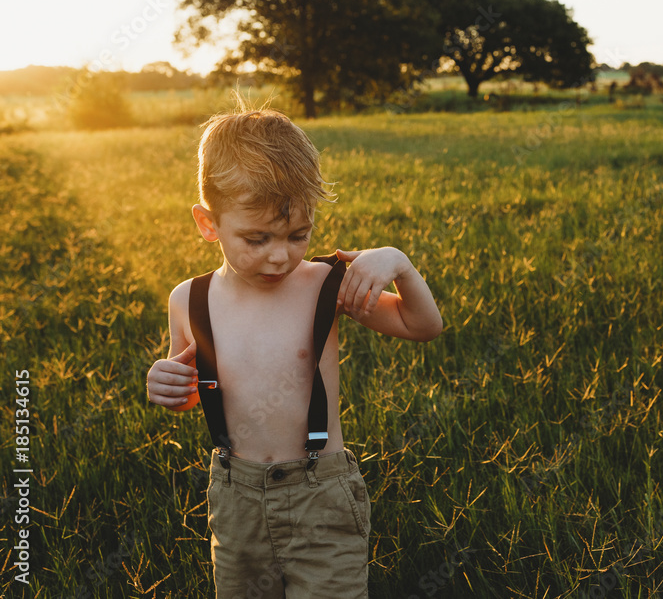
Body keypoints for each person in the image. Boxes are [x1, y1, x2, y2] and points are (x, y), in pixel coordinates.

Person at [146, 107, 443, 598]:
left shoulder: (325, 284)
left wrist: (400, 265)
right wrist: (167, 385)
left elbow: (422, 326)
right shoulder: (190, 300)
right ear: (208, 223)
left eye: (297, 235)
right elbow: (194, 393)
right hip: (236, 497)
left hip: (321, 493)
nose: (280, 255)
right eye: (256, 238)